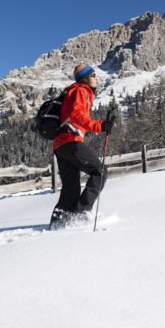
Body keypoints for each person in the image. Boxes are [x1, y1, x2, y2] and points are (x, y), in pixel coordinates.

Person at [49, 64, 115, 229]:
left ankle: (59, 221)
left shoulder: (73, 91)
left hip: (60, 145)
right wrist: (101, 126)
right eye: (93, 75)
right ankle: (82, 212)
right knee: (100, 171)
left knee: (71, 186)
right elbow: (77, 116)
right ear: (86, 77)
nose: (96, 78)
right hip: (70, 141)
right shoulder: (81, 90)